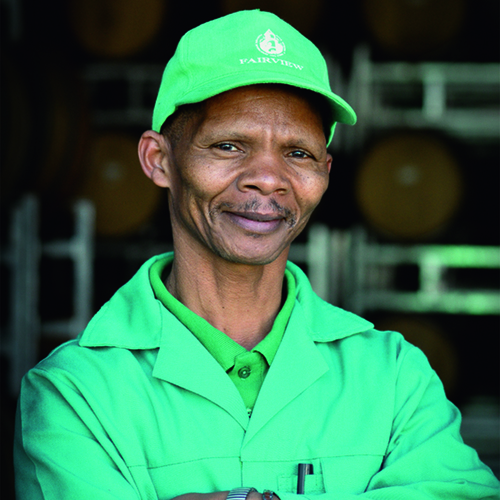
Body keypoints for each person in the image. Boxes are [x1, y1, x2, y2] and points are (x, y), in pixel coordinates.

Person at [14, 9, 500, 500]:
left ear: (326, 172)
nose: (268, 179)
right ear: (159, 160)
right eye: (229, 146)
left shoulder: (393, 374)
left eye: (298, 153)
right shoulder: (75, 392)